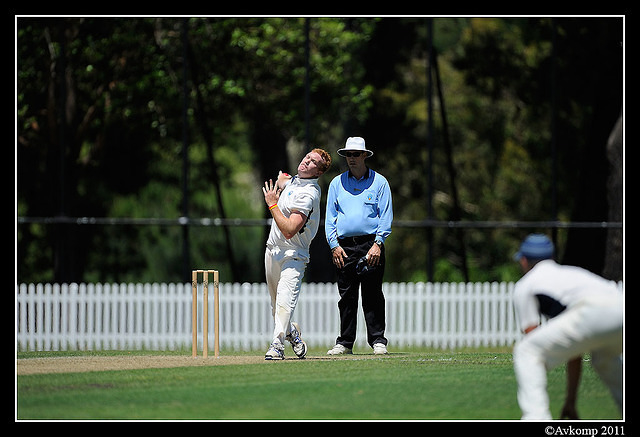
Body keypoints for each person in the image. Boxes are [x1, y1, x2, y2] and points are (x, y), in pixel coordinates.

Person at [511, 233, 623, 420]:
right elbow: (573, 349)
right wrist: (570, 402)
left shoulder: (526, 285)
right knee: (604, 359)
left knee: (526, 351)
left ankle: (536, 418)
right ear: (552, 258)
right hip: (620, 305)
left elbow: (534, 341)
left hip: (591, 311)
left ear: (524, 261)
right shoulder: (571, 273)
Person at [325, 137, 393, 355]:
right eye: (348, 154)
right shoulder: (337, 183)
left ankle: (377, 340)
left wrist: (378, 244)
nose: (351, 158)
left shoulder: (380, 182)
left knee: (372, 293)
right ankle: (345, 342)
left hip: (371, 244)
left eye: (356, 154)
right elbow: (330, 219)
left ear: (365, 155)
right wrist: (334, 245)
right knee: (346, 296)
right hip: (344, 247)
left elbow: (385, 216)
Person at [262, 148, 332, 360]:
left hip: (294, 254)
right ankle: (293, 333)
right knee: (276, 308)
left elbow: (290, 229)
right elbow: (286, 181)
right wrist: (282, 179)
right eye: (307, 157)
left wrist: (272, 204)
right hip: (272, 250)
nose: (306, 162)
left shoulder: (309, 194)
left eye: (312, 163)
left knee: (285, 300)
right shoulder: (295, 182)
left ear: (318, 173)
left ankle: (277, 346)